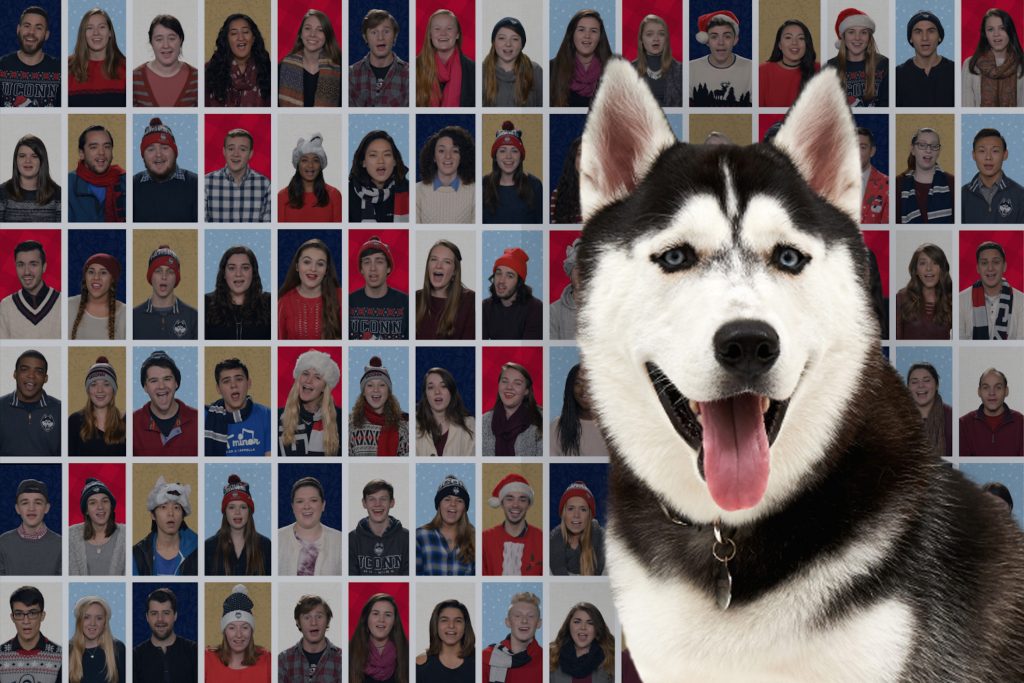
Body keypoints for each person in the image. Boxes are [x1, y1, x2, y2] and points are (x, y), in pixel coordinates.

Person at [132, 117, 199, 222]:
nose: (158, 154)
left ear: (175, 152)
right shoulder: (130, 186)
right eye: (151, 149)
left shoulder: (197, 184)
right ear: (143, 156)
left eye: (164, 147)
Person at [133, 350, 198, 456]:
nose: (161, 386)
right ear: (145, 387)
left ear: (176, 383)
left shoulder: (199, 420)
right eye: (154, 381)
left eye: (167, 379)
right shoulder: (131, 424)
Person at [204, 474, 271, 575]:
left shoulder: (266, 545)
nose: (237, 512)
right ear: (225, 511)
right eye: (231, 507)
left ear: (249, 511)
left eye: (243, 507)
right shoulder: (209, 547)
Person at [131, 476, 198, 576]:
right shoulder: (138, 554)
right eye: (163, 507)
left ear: (183, 515)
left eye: (176, 507)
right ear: (153, 515)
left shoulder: (199, 550)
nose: (170, 513)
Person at [279, 351, 342, 457]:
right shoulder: (276, 417)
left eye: (317, 377)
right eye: (305, 373)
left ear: (324, 387)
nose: (308, 380)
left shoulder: (340, 419)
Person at [278, 238, 342, 340]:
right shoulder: (284, 302)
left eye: (320, 264)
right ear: (297, 266)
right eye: (307, 262)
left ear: (326, 270)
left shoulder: (341, 297)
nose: (313, 269)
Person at [204, 584, 271, 682]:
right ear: (224, 631)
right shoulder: (206, 660)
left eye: (245, 627)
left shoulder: (268, 661)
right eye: (232, 628)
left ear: (251, 630)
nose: (239, 634)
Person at [205, 359, 272, 456]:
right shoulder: (205, 417)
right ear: (218, 389)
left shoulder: (267, 415)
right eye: (226, 381)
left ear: (249, 383)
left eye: (239, 379)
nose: (233, 385)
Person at [958, 241, 1024, 340]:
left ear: (1004, 266)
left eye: (996, 262)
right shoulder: (960, 300)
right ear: (978, 268)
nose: (990, 268)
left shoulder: (1021, 301)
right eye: (984, 263)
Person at [0, 350, 61, 457]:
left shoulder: (60, 410)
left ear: (45, 378)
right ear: (15, 374)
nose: (31, 376)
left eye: (38, 371)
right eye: (24, 369)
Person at [204, 128, 271, 222]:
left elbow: (267, 227)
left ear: (250, 154)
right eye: (231, 149)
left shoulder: (265, 185)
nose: (236, 154)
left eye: (243, 149)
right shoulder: (205, 183)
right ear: (224, 151)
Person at [349, 235, 409, 339]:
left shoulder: (406, 303)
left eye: (379, 261)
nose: (373, 268)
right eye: (367, 262)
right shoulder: (348, 303)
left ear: (388, 268)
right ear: (361, 269)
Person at [133, 587, 199, 683]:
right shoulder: (135, 657)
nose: (160, 619)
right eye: (154, 613)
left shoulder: (194, 652)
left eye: (166, 613)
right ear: (147, 617)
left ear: (175, 615)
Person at [278, 9, 342, 107]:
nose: (312, 34)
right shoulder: (282, 68)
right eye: (308, 28)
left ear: (327, 36)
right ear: (300, 34)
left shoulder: (341, 69)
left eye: (320, 30)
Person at [133, 244, 198, 340]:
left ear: (176, 278)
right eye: (158, 271)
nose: (164, 277)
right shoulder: (133, 317)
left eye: (170, 271)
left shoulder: (193, 316)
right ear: (150, 276)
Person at [483, 120, 543, 224]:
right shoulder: (483, 185)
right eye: (502, 151)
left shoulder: (535, 185)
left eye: (514, 151)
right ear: (495, 157)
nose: (508, 156)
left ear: (521, 157)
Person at [205, 246, 271, 340]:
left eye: (245, 268)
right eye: (232, 268)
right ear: (224, 273)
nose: (238, 274)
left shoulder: (270, 304)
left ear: (253, 272)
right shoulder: (205, 304)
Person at [482, 473, 543, 575]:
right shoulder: (484, 539)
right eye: (510, 499)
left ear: (529, 504)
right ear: (502, 503)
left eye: (522, 499)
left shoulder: (543, 540)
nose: (515, 505)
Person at [132, 14, 199, 106]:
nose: (166, 45)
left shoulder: (198, 78)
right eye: (159, 39)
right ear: (151, 43)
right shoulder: (133, 78)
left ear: (181, 40)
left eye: (172, 38)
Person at [279, 477, 342, 575]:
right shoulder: (276, 539)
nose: (307, 506)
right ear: (293, 507)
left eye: (313, 500)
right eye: (300, 501)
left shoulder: (341, 541)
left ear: (323, 505)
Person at [826, 8, 888, 106]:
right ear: (843, 36)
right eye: (851, 32)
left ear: (869, 37)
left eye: (863, 32)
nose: (857, 37)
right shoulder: (829, 68)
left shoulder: (884, 64)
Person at [550, 9, 613, 107]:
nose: (587, 36)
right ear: (572, 34)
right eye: (581, 29)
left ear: (600, 37)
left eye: (593, 31)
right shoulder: (551, 69)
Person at [205, 14, 271, 106]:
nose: (241, 38)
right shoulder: (209, 71)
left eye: (245, 32)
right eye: (234, 33)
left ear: (253, 38)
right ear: (227, 40)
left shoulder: (269, 70)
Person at [963, 8, 1024, 107]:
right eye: (990, 29)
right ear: (985, 34)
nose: (996, 34)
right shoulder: (970, 64)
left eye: (1002, 28)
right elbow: (966, 108)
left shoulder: (1021, 64)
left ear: (1010, 31)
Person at [349, 356, 409, 457]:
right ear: (363, 392)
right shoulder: (350, 425)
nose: (376, 390)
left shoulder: (403, 426)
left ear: (388, 391)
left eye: (381, 385)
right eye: (370, 385)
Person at [0, 6, 60, 107]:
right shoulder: (1, 66)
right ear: (18, 29)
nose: (31, 32)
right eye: (27, 26)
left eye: (38, 28)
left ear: (46, 35)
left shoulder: (60, 70)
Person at [416, 474, 475, 576]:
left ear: (464, 508)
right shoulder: (420, 536)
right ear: (439, 504)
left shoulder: (475, 538)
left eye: (459, 500)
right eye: (447, 499)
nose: (453, 504)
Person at [689, 10, 751, 106]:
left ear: (735, 40)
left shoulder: (753, 69)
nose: (721, 42)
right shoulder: (690, 69)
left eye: (727, 36)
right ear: (707, 41)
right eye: (714, 37)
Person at [0, 240, 60, 339]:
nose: (26, 271)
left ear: (44, 267)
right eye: (21, 265)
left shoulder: (62, 303)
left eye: (33, 264)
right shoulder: (5, 306)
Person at [415, 240, 474, 340]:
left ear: (455, 271)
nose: (438, 266)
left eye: (447, 262)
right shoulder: (414, 299)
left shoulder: (470, 301)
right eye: (434, 259)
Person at [962, 128, 1024, 223]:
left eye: (995, 151)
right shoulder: (962, 195)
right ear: (973, 155)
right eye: (982, 151)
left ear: (1005, 154)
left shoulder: (1020, 195)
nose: (988, 157)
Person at [416, 126, 475, 224]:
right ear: (434, 157)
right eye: (441, 151)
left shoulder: (476, 192)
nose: (448, 156)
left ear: (462, 156)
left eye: (455, 151)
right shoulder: (416, 191)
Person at [349, 479, 409, 575]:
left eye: (383, 499)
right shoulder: (351, 539)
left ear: (392, 502)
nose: (377, 504)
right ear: (364, 503)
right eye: (372, 499)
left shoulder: (407, 538)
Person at [349, 9, 408, 107]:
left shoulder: (410, 74)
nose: (380, 37)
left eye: (386, 31)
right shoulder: (350, 74)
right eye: (374, 32)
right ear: (365, 37)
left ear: (395, 36)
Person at [481, 363, 543, 457]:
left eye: (517, 383)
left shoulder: (542, 419)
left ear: (526, 390)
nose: (509, 387)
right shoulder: (482, 422)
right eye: (505, 381)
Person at [68, 357, 126, 456]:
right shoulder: (74, 421)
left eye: (106, 384)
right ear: (88, 390)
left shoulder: (126, 423)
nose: (100, 390)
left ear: (113, 390)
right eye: (93, 384)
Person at [959, 368, 1024, 457]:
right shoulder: (963, 424)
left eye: (998, 387)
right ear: (979, 392)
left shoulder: (1021, 423)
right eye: (986, 387)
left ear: (1006, 391)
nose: (992, 393)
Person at [67, 8, 125, 107]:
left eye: (102, 27)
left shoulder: (126, 68)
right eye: (89, 28)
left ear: (110, 32)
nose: (96, 33)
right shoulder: (67, 67)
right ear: (83, 34)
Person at [416, 9, 474, 107]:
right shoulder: (413, 67)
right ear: (430, 34)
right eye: (437, 29)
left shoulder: (474, 70)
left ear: (457, 34)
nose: (443, 33)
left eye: (449, 28)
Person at [0, 479, 60, 575]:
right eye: (25, 503)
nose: (31, 508)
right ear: (17, 509)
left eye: (38, 502)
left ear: (47, 508)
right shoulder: (3, 542)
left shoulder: (61, 544)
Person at [278, 133, 342, 222]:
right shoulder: (282, 196)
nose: (310, 165)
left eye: (315, 160)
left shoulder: (334, 195)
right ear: (298, 164)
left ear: (321, 165)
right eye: (304, 160)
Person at [278, 595, 343, 683]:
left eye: (319, 617)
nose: (313, 623)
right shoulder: (284, 660)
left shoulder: (342, 659)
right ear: (298, 622)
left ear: (327, 620)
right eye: (307, 617)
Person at [68, 125, 126, 222]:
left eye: (107, 147)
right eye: (94, 147)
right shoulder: (68, 185)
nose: (102, 152)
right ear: (81, 153)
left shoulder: (126, 182)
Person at [896, 10, 954, 107]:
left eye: (931, 31)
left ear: (939, 36)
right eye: (918, 32)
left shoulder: (955, 72)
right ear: (910, 38)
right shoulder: (897, 75)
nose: (925, 38)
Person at [69, 478, 126, 576]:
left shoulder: (126, 534)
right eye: (93, 503)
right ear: (86, 510)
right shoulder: (70, 536)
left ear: (111, 506)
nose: (100, 507)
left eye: (105, 501)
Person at [481, 592, 542, 683]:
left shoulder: (548, 660)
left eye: (531, 616)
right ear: (508, 622)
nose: (524, 620)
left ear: (538, 623)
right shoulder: (486, 657)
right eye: (517, 616)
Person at [349, 131, 409, 223]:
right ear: (363, 162)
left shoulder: (410, 191)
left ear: (394, 161)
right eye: (373, 155)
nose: (381, 161)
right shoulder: (348, 194)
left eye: (387, 155)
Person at [895, 243, 952, 340]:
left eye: (935, 262)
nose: (929, 268)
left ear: (942, 269)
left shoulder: (952, 299)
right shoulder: (901, 299)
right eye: (923, 263)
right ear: (916, 270)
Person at [482, 248, 542, 340]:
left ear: (519, 282)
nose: (501, 281)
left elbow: (529, 350)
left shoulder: (535, 308)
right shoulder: (485, 307)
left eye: (509, 276)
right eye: (498, 273)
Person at [4, 586, 61, 682]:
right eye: (19, 614)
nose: (26, 621)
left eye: (32, 613)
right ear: (12, 617)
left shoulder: (61, 657)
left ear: (42, 616)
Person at [898, 128, 954, 224]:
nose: (928, 150)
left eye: (934, 146)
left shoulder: (953, 183)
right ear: (912, 150)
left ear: (939, 151)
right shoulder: (897, 184)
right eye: (922, 145)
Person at [348, 593, 408, 683]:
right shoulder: (348, 652)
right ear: (366, 618)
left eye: (388, 615)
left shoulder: (407, 652)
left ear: (395, 621)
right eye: (375, 614)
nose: (381, 620)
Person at [0, 134, 61, 221]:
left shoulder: (59, 195)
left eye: (34, 156)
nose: (28, 160)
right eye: (22, 156)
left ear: (42, 161)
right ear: (16, 160)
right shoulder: (1, 193)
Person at [415, 367, 475, 456]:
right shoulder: (411, 424)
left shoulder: (470, 425)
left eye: (443, 386)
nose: (437, 392)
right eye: (431, 387)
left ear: (451, 391)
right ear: (425, 394)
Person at [549, 481, 606, 576]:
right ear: (564, 513)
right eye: (571, 509)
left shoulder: (602, 540)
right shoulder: (552, 542)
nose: (576, 515)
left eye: (583, 509)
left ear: (590, 515)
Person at [483, 17, 542, 107]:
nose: (508, 44)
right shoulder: (479, 72)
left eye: (515, 39)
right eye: (502, 38)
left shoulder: (535, 71)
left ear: (522, 43)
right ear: (494, 42)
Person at [549, 603, 615, 683]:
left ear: (597, 628)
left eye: (590, 623)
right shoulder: (550, 656)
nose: (583, 627)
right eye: (577, 622)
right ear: (568, 626)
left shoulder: (612, 658)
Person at [551, 364, 608, 457]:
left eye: (590, 382)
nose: (584, 389)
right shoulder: (556, 427)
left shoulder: (617, 428)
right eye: (578, 383)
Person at [759, 19, 818, 108]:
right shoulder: (762, 71)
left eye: (801, 38)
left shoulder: (820, 70)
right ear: (779, 45)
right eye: (788, 37)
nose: (794, 43)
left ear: (807, 44)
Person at [68, 252, 126, 340]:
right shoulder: (67, 306)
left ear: (113, 279)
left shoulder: (126, 314)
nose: (96, 277)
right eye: (91, 272)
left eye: (103, 273)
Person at [68, 596, 125, 683]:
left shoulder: (118, 649)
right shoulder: (68, 650)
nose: (92, 623)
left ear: (105, 622)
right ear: (79, 621)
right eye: (86, 617)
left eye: (99, 618)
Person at [415, 599, 475, 683]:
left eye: (458, 621)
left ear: (465, 626)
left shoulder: (479, 663)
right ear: (436, 624)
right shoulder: (419, 665)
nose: (451, 626)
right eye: (444, 620)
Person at [631, 14, 683, 107]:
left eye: (661, 34)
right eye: (649, 34)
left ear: (666, 39)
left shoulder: (680, 70)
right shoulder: (629, 71)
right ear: (641, 39)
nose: (656, 39)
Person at [906, 363, 953, 459]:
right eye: (914, 382)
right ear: (908, 388)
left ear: (937, 385)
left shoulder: (953, 418)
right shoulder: (897, 419)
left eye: (926, 380)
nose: (920, 386)